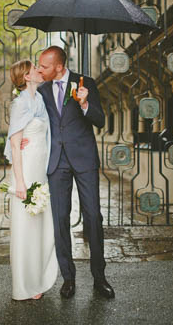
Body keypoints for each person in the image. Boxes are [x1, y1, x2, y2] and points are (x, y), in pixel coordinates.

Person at [33, 45, 115, 299]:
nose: (39, 69)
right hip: (56, 163)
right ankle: (68, 278)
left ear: (59, 66)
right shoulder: (41, 90)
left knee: (93, 217)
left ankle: (99, 277)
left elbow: (100, 120)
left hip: (85, 160)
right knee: (59, 220)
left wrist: (84, 103)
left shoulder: (85, 82)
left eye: (43, 66)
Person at [4, 60, 58, 300]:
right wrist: (20, 182)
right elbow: (15, 146)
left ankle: (38, 278)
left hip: (41, 169)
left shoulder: (40, 100)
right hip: (26, 170)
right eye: (34, 69)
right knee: (25, 227)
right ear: (26, 77)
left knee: (40, 227)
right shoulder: (19, 104)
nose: (39, 70)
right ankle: (24, 284)